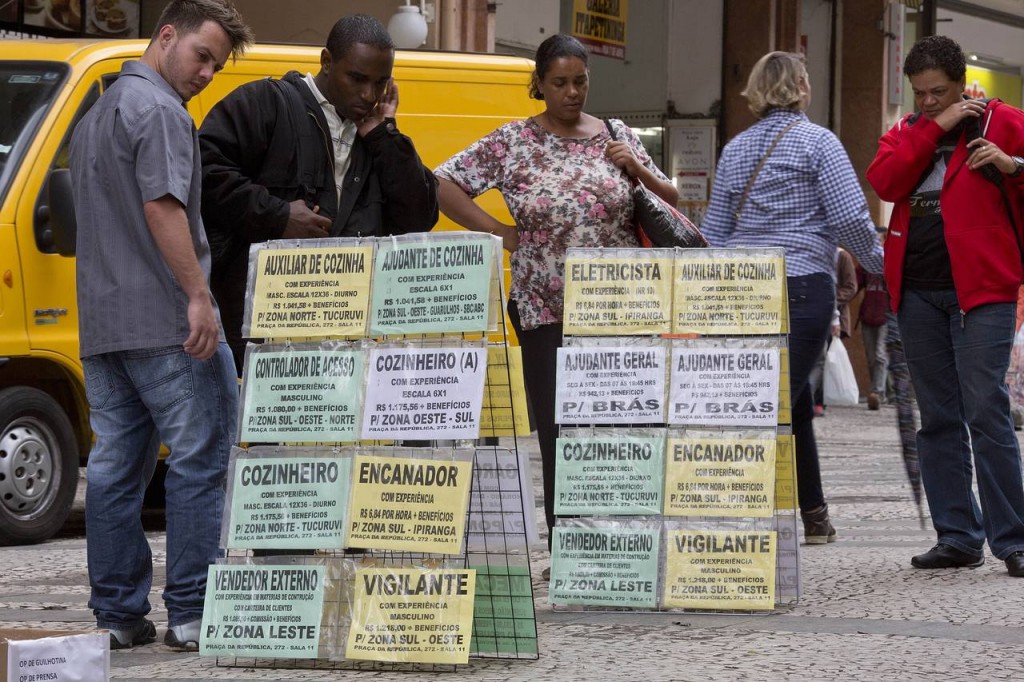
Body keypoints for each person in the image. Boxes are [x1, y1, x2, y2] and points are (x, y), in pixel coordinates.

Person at [433, 34, 678, 560]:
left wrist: (633, 168)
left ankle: (624, 541)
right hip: (544, 308)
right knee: (559, 430)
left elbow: (672, 198)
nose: (572, 93)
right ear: (539, 85)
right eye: (560, 83)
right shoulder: (513, 142)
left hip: (619, 310)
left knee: (620, 423)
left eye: (581, 81)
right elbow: (443, 183)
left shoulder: (617, 134)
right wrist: (500, 230)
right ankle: (569, 544)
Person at [69, 0, 252, 651]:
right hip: (168, 323)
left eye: (217, 65)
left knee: (116, 466)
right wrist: (199, 297)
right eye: (202, 56)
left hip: (103, 326)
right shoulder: (163, 112)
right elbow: (162, 206)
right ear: (166, 34)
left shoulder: (94, 116)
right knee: (202, 459)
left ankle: (117, 615)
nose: (207, 73)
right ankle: (193, 610)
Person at [701, 51, 883, 545]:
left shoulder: (736, 148)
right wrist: (885, 264)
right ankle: (737, 525)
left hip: (740, 286)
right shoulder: (819, 142)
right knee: (777, 400)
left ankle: (815, 515)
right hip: (802, 285)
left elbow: (715, 233)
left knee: (787, 399)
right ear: (802, 85)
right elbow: (849, 219)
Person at [199, 14, 439, 374]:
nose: (369, 94)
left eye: (380, 82)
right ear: (327, 61)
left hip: (345, 334)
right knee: (260, 431)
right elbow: (204, 173)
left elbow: (419, 217)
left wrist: (383, 133)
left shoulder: (376, 137)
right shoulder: (266, 102)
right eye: (357, 78)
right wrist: (277, 215)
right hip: (259, 331)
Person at [866, 35, 1024, 577]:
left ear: (961, 83)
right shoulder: (910, 132)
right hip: (917, 292)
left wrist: (1013, 164)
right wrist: (937, 124)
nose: (929, 101)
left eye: (939, 92)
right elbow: (885, 181)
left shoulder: (1003, 121)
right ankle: (958, 534)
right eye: (921, 94)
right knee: (937, 418)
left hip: (982, 290)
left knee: (985, 408)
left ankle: (1015, 539)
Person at [810, 247, 858, 415]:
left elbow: (851, 286)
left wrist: (831, 301)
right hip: (812, 312)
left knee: (823, 359)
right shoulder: (814, 252)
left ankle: (819, 402)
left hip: (833, 316)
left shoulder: (842, 256)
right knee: (815, 358)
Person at [856, 249, 890, 410]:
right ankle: (877, 390)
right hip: (868, 315)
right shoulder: (866, 264)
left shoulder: (891, 260)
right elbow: (854, 284)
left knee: (880, 354)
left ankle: (878, 393)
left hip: (887, 316)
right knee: (871, 357)